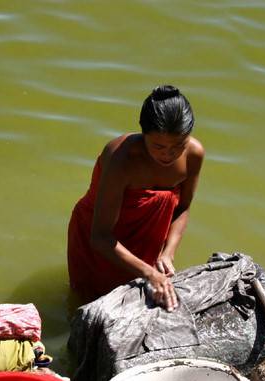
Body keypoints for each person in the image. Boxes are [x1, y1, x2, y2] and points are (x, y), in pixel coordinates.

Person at [67, 85, 204, 311]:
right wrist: (149, 272)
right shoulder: (121, 158)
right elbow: (100, 237)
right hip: (102, 242)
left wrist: (167, 253)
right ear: (143, 133)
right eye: (158, 146)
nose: (168, 154)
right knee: (89, 306)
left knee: (135, 307)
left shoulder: (194, 154)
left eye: (178, 145)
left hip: (148, 240)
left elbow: (183, 207)